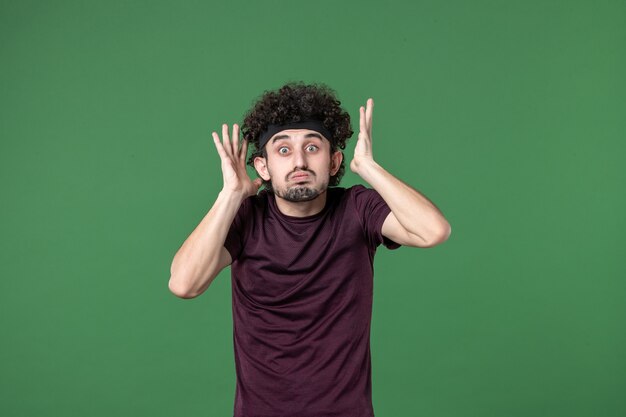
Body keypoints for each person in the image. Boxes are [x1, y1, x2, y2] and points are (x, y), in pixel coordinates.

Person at [169, 82, 451, 417]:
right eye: (283, 150)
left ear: (334, 162)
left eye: (313, 148)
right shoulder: (247, 218)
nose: (299, 161)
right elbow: (184, 284)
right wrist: (230, 195)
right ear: (263, 167)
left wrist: (369, 169)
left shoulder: (357, 209)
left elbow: (434, 231)